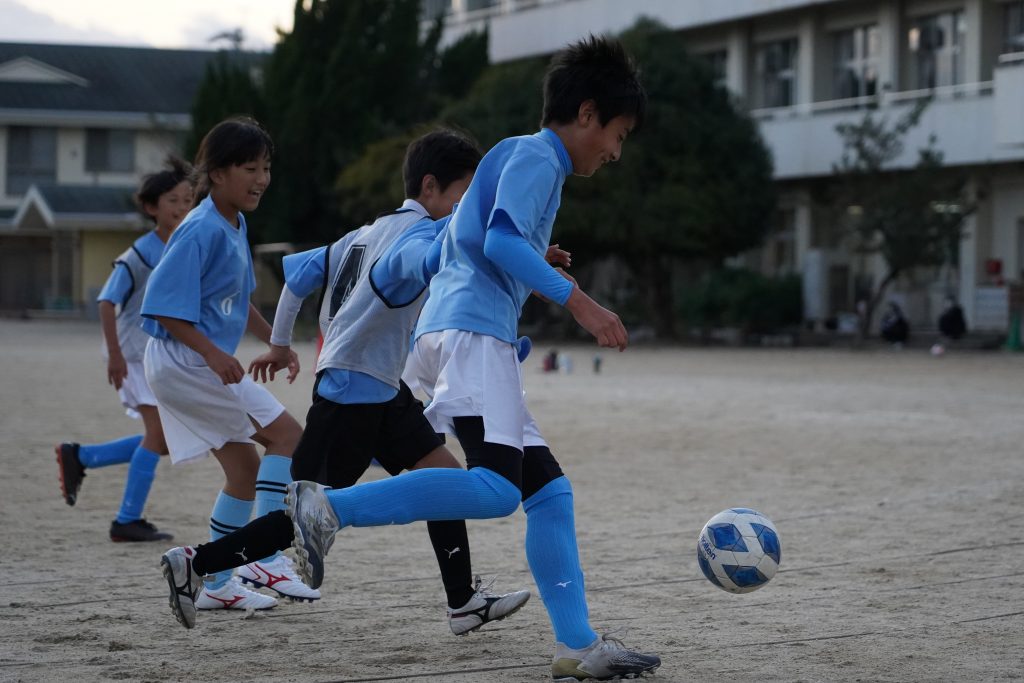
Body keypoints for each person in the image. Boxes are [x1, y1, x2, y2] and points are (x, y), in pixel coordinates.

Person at [285, 36, 661, 681]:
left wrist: (536, 260)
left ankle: (577, 645)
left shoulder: (521, 159)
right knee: (494, 491)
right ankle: (329, 508)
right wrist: (582, 304)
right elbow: (498, 239)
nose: (616, 152)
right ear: (589, 113)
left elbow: (469, 236)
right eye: (618, 135)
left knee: (551, 495)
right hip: (471, 334)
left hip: (462, 332)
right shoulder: (538, 158)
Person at [160, 129, 535, 634]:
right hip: (351, 395)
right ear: (430, 188)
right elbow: (430, 260)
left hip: (381, 388)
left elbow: (296, 280)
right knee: (306, 514)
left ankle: (463, 600)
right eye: (463, 198)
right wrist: (507, 248)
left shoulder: (363, 233)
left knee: (446, 480)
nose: (466, 210)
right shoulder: (418, 238)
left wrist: (280, 342)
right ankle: (196, 563)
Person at [141, 117, 311, 612]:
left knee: (244, 468)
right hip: (184, 362)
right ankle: (266, 555)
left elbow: (236, 302)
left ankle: (216, 584)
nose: (261, 178)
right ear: (215, 173)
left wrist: (277, 341)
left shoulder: (234, 221)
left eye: (266, 167)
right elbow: (162, 307)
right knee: (288, 437)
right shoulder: (199, 230)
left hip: (190, 361)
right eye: (249, 167)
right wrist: (214, 354)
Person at [55, 156, 193, 542]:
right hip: (132, 355)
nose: (182, 208)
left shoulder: (183, 245)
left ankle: (82, 457)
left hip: (155, 356)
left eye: (187, 200)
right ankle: (125, 520)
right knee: (159, 437)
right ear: (152, 208)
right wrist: (115, 356)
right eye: (173, 201)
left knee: (162, 440)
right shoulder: (138, 255)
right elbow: (106, 302)